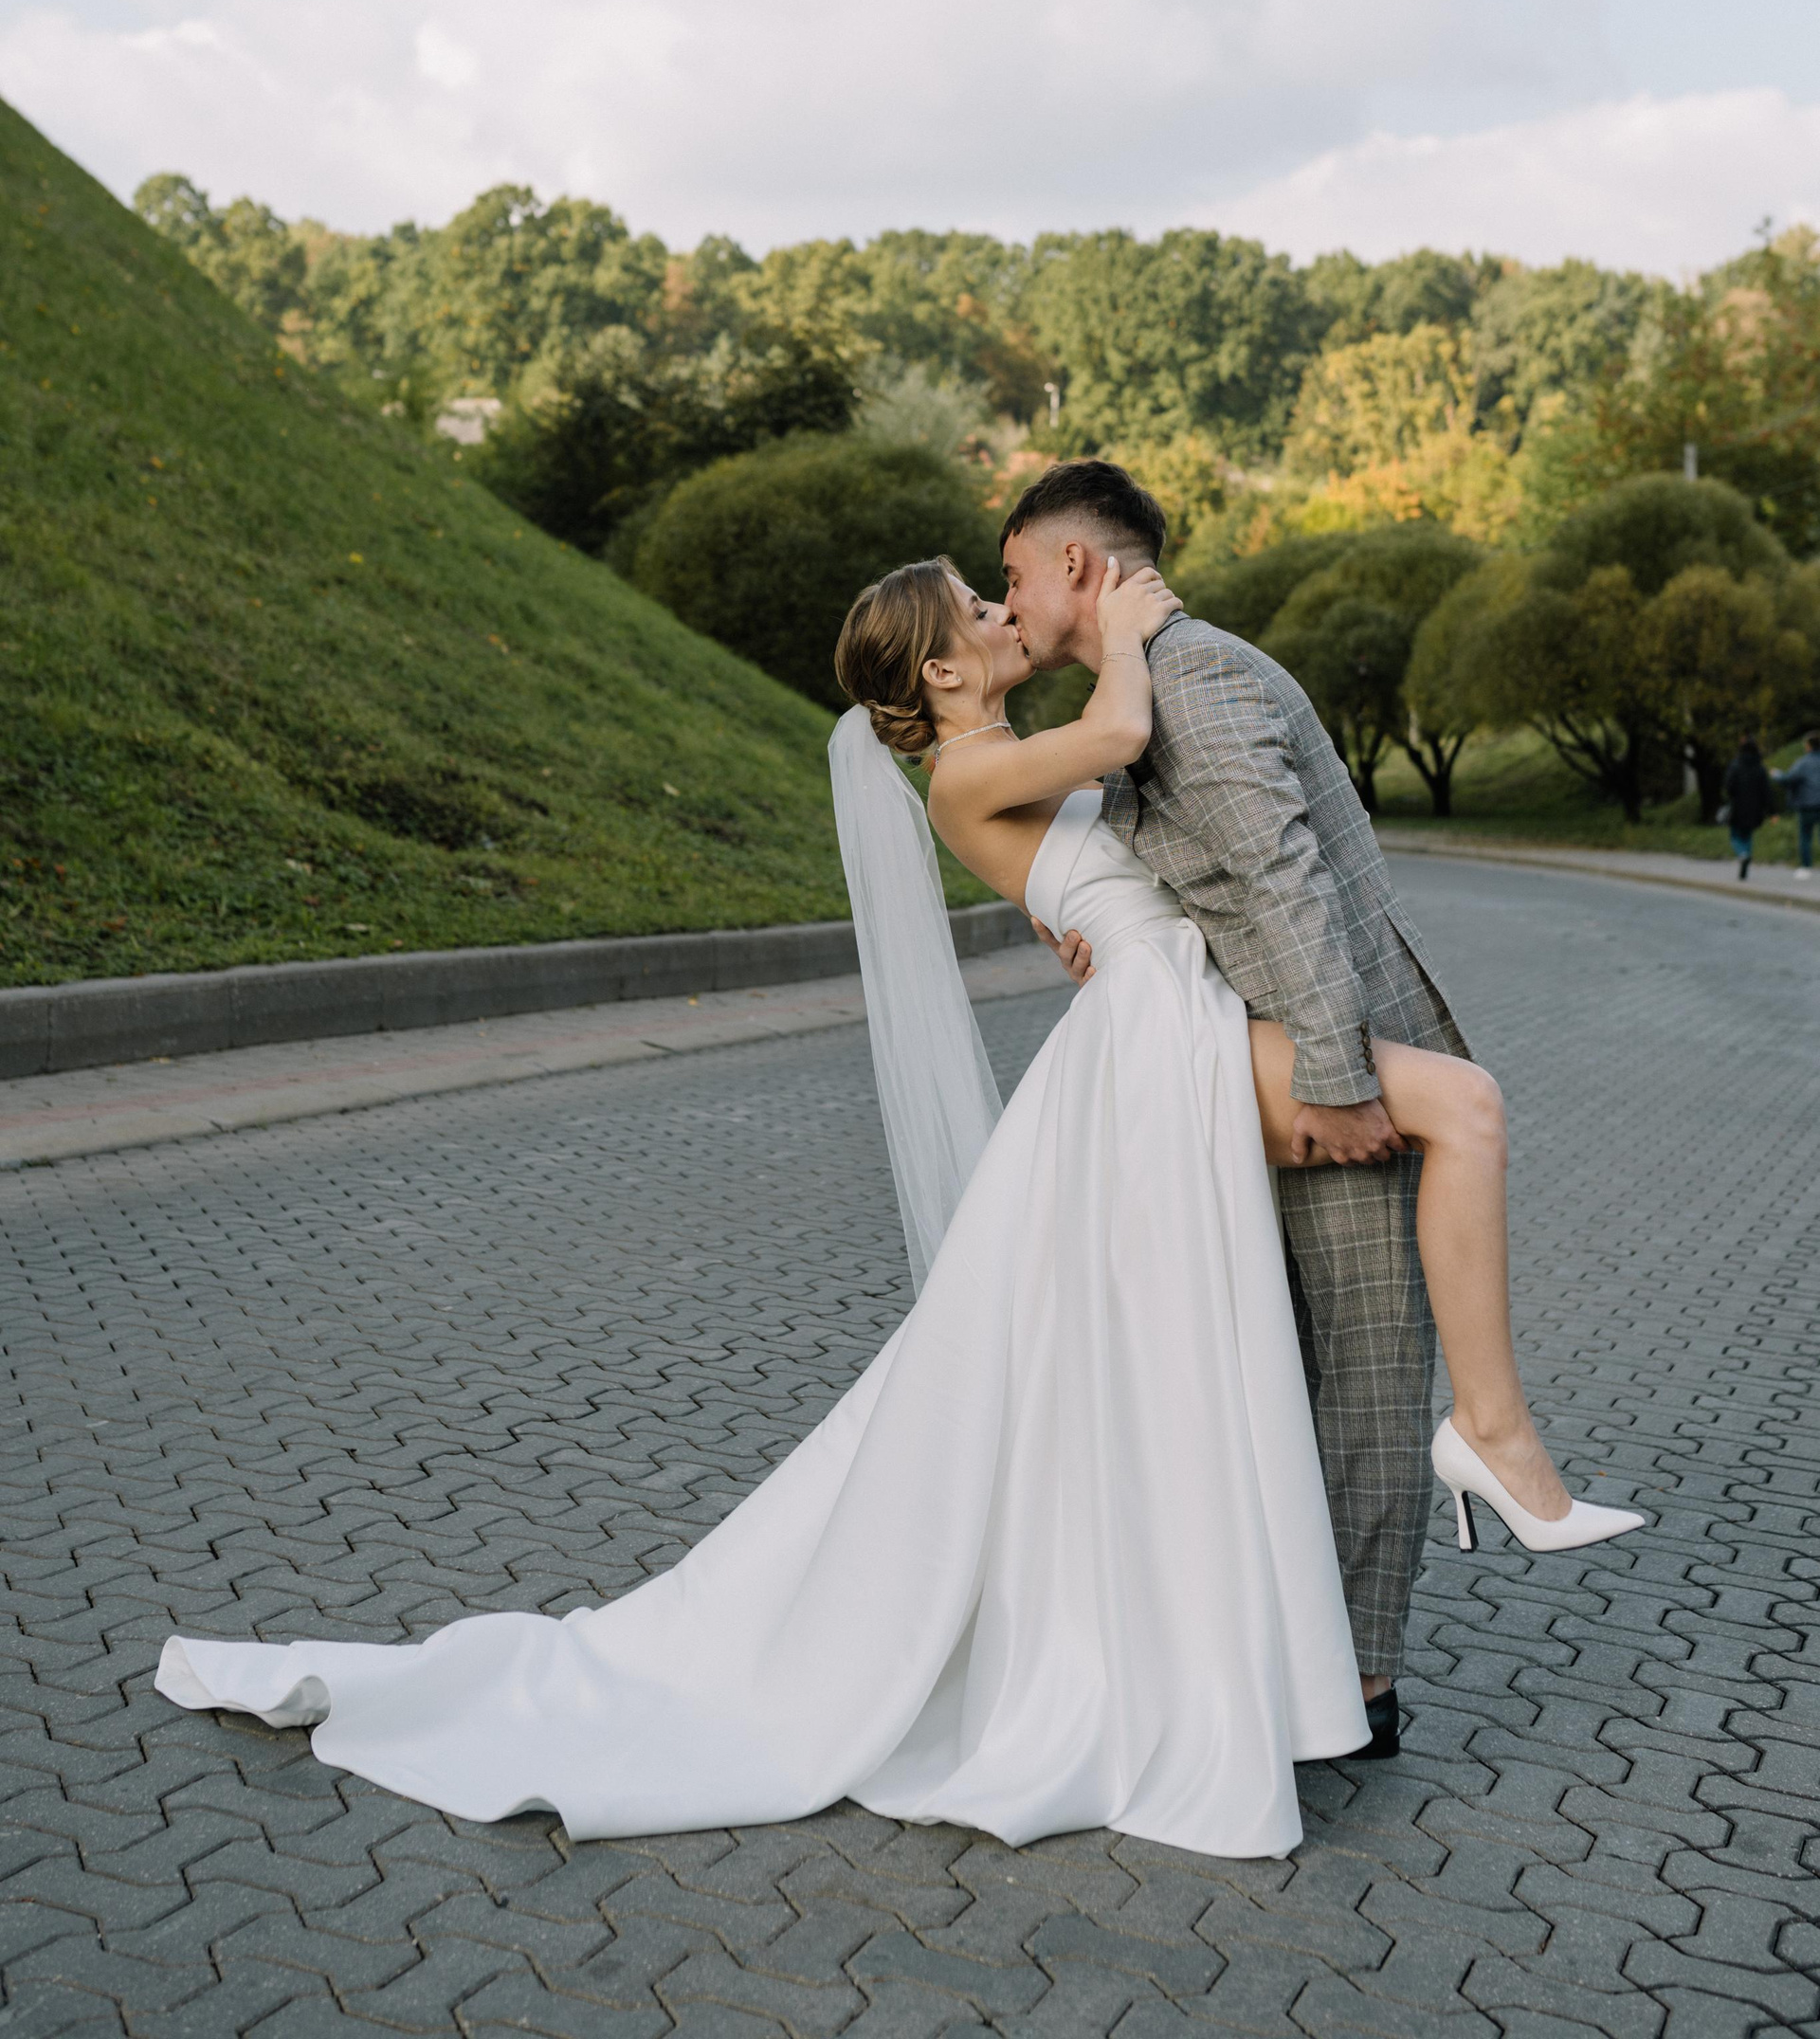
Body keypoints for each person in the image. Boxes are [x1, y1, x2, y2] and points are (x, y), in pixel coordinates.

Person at [157, 527, 1641, 1861]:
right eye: (981, 609)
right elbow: (1126, 734)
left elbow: (1133, 836)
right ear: (940, 670)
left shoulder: (1005, 757)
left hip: (1162, 1023)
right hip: (1154, 1044)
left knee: (1191, 1349)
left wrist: (1085, 901)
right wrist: (1132, 622)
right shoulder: (968, 769)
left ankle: (1406, 1499)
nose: (1005, 613)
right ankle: (1484, 1436)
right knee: (1456, 1110)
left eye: (1005, 595)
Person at [995, 460, 1633, 1741]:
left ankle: (1354, 1680)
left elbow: (1286, 884)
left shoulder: (1195, 679)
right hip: (1252, 1060)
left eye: (1011, 576)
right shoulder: (1152, 686)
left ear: (1075, 564)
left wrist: (1337, 1080)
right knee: (1301, 1361)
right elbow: (1196, 870)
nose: (1006, 605)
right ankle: (1312, 1664)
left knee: (1364, 1363)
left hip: (1323, 1053)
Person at [1722, 735, 1775, 880]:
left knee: (1735, 835)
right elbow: (1767, 791)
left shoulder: (1735, 765)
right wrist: (1772, 811)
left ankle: (1742, 855)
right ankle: (1747, 856)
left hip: (1737, 806)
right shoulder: (1760, 768)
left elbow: (1728, 786)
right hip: (1755, 808)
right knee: (1747, 835)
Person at [1772, 731, 1820, 878]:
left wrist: (1777, 775)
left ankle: (1806, 867)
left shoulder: (1803, 762)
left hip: (1807, 805)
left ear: (1808, 746)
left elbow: (1789, 779)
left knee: (1805, 836)